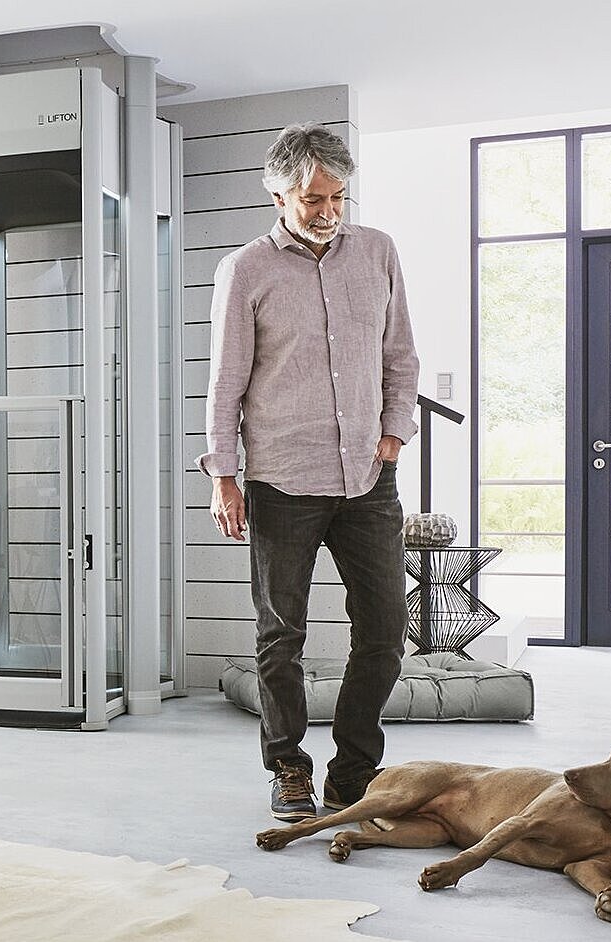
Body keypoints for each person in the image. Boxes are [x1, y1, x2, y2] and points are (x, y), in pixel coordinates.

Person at [198, 123, 420, 824]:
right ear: (277, 192)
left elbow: (401, 355)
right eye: (311, 198)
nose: (327, 211)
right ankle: (288, 766)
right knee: (281, 634)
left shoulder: (379, 252)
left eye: (337, 197)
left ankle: (354, 773)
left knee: (384, 629)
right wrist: (223, 476)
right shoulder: (245, 270)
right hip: (280, 480)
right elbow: (226, 380)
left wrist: (393, 433)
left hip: (367, 477)